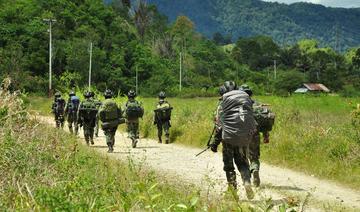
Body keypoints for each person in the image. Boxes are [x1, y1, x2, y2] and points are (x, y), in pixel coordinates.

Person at [210, 81, 257, 200]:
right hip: (243, 137)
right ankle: (247, 182)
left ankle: (233, 191)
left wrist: (214, 144)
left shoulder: (223, 105)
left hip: (228, 139)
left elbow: (220, 127)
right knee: (243, 163)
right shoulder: (244, 101)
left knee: (229, 166)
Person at [240, 84, 274, 187]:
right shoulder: (257, 105)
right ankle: (254, 169)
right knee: (254, 157)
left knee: (242, 159)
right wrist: (266, 136)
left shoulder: (237, 106)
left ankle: (246, 180)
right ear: (250, 94)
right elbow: (264, 121)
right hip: (254, 135)